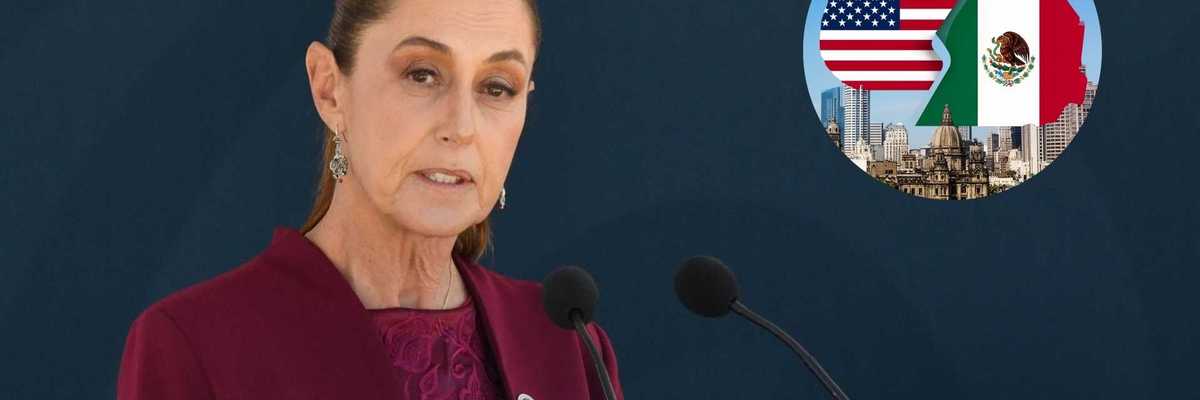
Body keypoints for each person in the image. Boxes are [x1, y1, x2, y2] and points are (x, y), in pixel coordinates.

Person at [116, 1, 623, 399]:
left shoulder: (566, 344)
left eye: (496, 87)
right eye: (422, 74)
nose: (462, 128)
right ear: (330, 89)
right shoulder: (196, 344)